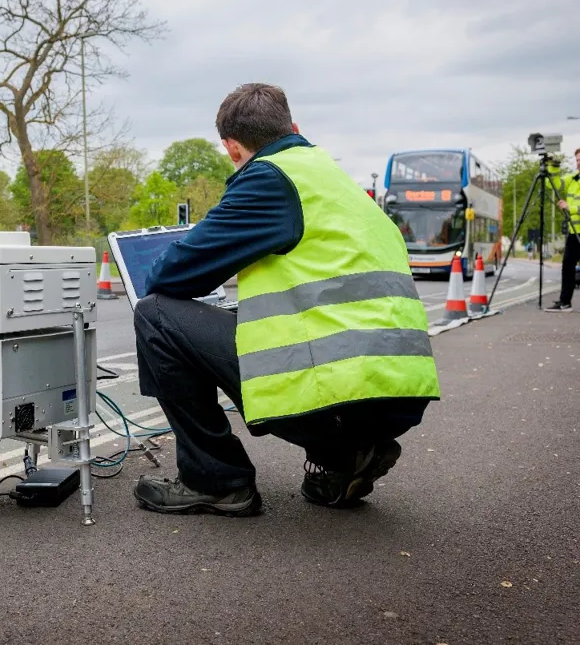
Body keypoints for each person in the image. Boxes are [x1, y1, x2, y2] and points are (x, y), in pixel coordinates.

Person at [132, 83, 440, 516]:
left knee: (155, 315)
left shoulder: (269, 179)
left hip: (340, 394)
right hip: (396, 394)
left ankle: (216, 480)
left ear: (232, 148)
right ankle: (344, 457)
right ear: (294, 127)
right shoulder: (332, 179)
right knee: (251, 321)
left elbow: (169, 275)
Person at [543, 147, 580, 312]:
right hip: (574, 231)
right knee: (567, 266)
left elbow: (573, 206)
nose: (578, 163)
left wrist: (569, 207)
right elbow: (553, 184)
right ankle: (565, 302)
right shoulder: (573, 178)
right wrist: (554, 167)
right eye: (577, 160)